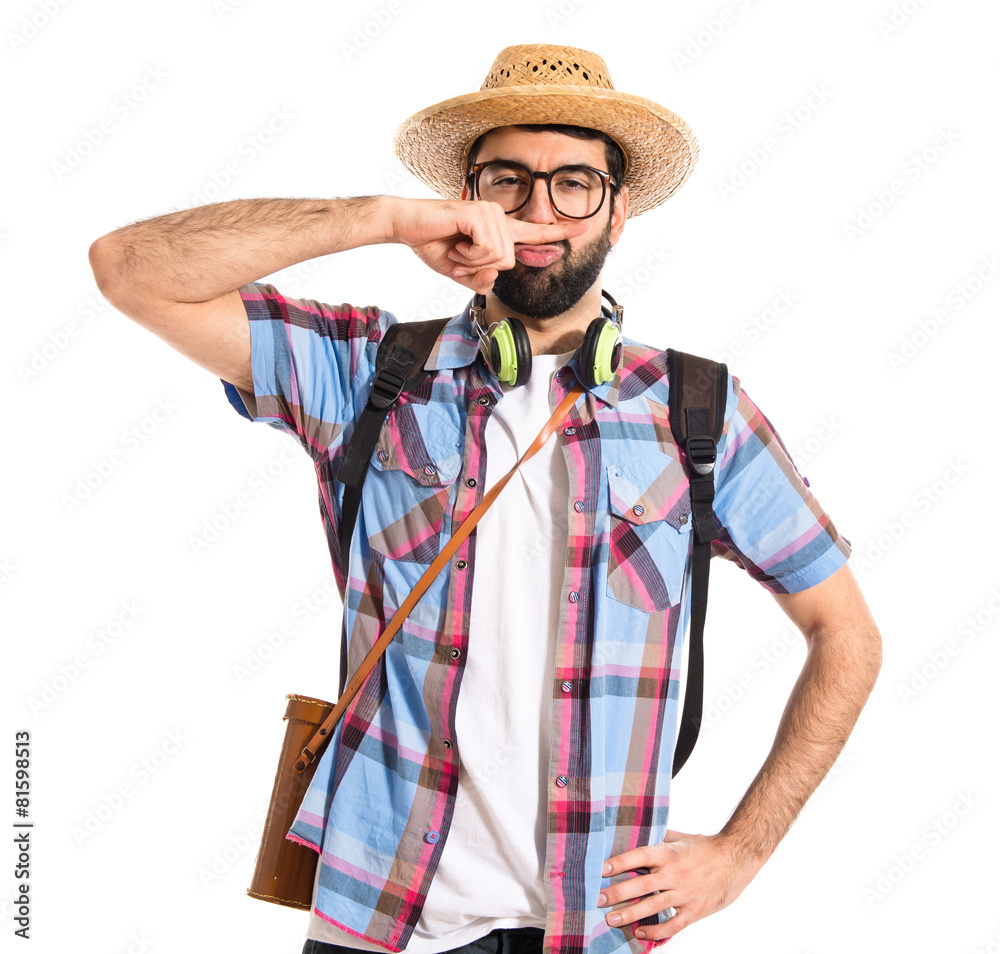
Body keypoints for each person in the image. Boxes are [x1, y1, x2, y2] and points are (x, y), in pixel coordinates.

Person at [89, 43, 881, 954]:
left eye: (575, 183)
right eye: (508, 180)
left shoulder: (700, 412)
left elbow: (848, 636)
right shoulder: (368, 374)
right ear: (468, 198)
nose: (539, 211)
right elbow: (129, 267)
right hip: (383, 914)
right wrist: (386, 218)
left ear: (619, 212)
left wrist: (742, 855)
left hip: (597, 926)